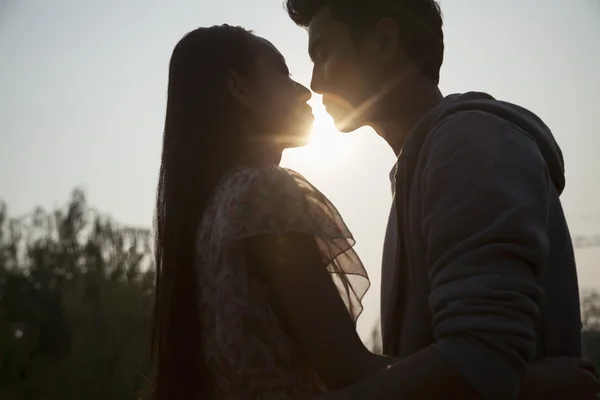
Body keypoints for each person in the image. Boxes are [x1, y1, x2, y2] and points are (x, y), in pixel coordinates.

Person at [149, 25, 598, 400]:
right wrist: (527, 383)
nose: (307, 87)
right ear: (239, 88)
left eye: (322, 54)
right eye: (283, 73)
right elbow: (346, 367)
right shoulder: (263, 194)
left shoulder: (213, 212)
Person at [284, 0, 598, 399]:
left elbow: (481, 361)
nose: (315, 82)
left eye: (324, 52)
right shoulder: (424, 162)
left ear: (383, 41)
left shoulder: (469, 142)